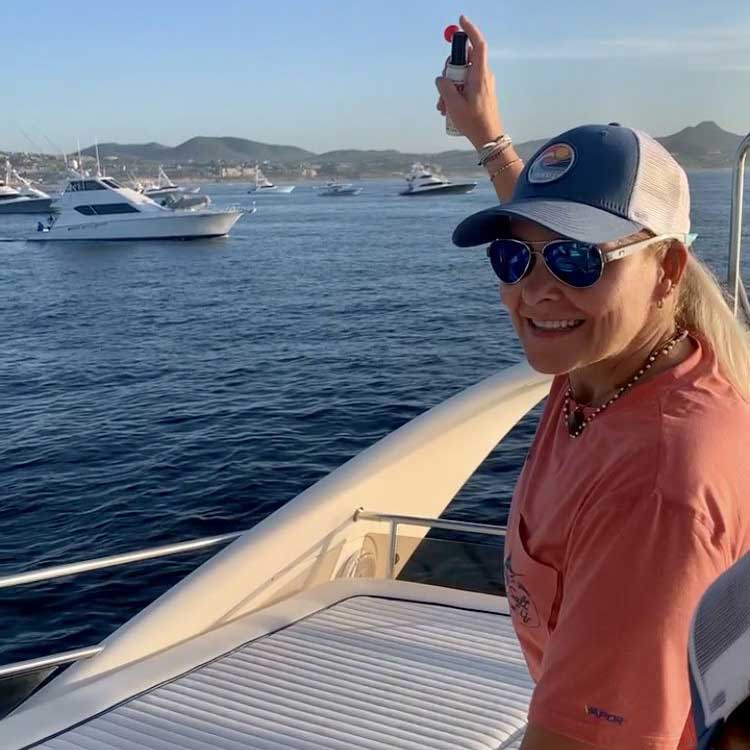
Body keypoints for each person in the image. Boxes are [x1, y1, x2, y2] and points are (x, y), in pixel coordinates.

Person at [436, 16, 750, 750]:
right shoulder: (617, 357)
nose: (538, 291)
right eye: (514, 260)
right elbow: (557, 244)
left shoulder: (656, 487)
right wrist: (488, 134)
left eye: (578, 261)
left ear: (668, 272)